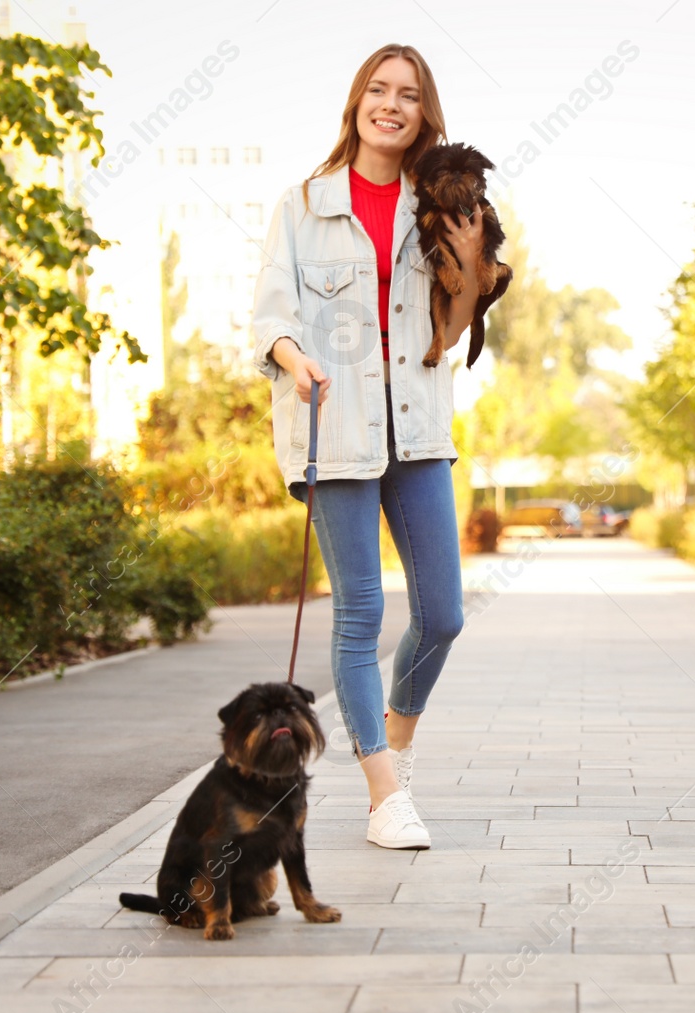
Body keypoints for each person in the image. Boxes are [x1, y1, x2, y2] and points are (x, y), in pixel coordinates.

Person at [250, 44, 483, 850]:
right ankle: (384, 794)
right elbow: (268, 316)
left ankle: (396, 744)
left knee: (444, 615)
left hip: (416, 430)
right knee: (361, 613)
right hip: (333, 427)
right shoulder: (303, 205)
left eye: (409, 95)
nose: (391, 104)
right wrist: (295, 359)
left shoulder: (439, 205)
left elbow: (449, 335)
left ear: (425, 113)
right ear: (356, 103)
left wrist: (473, 267)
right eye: (378, 90)